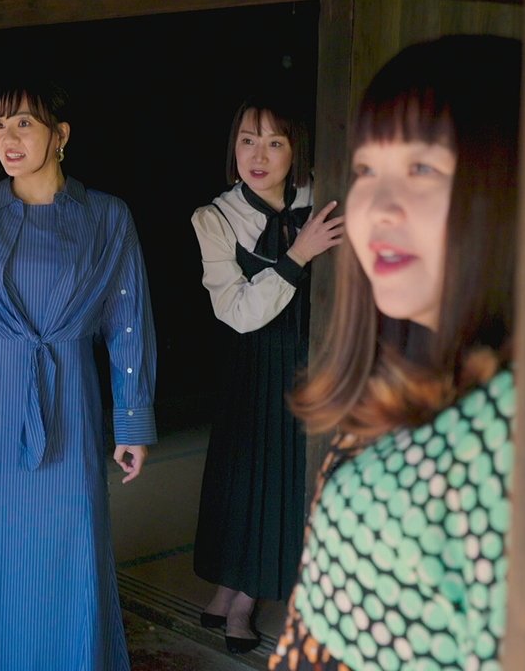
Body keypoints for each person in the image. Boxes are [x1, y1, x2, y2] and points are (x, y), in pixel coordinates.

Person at [269, 34, 522, 670]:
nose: (378, 208)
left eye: (422, 169)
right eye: (365, 171)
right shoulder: (415, 383)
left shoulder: (514, 437)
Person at [0, 79, 157, 670]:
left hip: (70, 406)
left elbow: (128, 321)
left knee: (67, 546)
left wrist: (132, 420)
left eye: (24, 124)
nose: (8, 139)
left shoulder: (107, 216)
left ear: (60, 135)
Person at [190, 90, 344, 653]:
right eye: (248, 140)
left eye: (275, 143)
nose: (259, 155)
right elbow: (235, 311)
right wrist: (298, 255)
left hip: (309, 359)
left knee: (282, 480)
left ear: (295, 148)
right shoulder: (215, 217)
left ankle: (244, 598)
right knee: (242, 476)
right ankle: (230, 584)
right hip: (252, 360)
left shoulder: (322, 195)